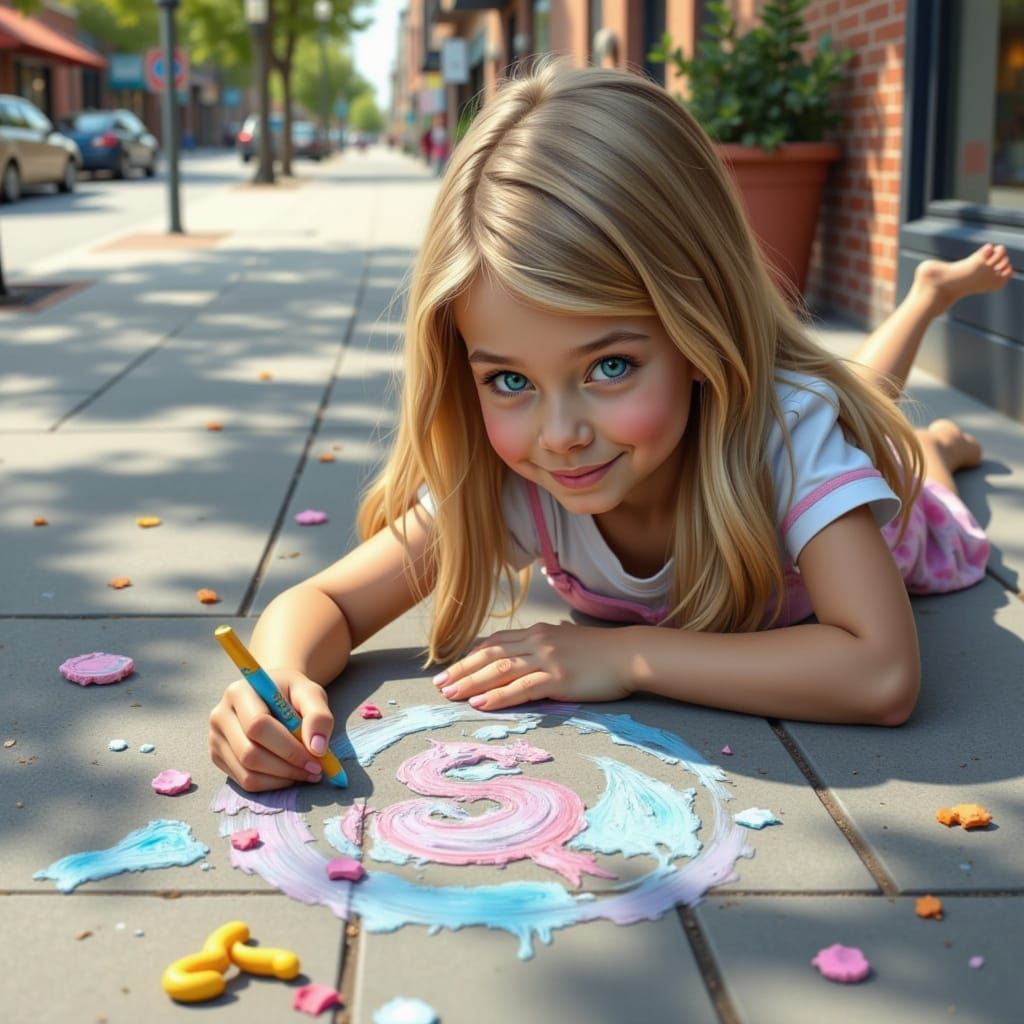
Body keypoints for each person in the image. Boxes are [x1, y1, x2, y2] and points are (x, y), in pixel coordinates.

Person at [209, 62, 1012, 792]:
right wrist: (276, 682)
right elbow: (327, 603)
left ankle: (935, 436)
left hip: (901, 530)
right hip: (795, 436)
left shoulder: (787, 436)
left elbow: (879, 673)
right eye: (510, 380)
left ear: (701, 329)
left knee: (884, 445)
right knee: (858, 399)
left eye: (610, 367)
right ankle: (924, 379)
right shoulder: (517, 478)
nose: (560, 435)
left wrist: (622, 655)